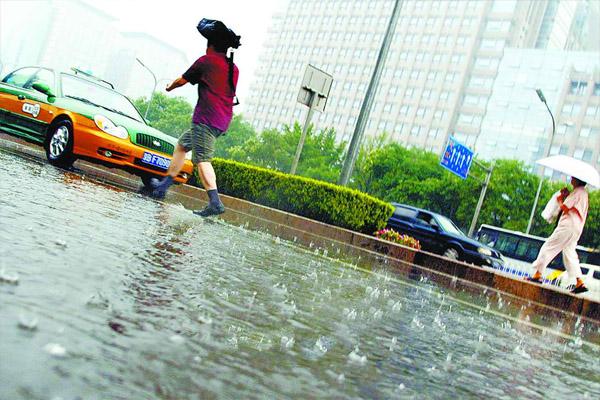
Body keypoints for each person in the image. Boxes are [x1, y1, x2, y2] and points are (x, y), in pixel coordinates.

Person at [150, 19, 240, 217]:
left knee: (202, 160)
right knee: (182, 145)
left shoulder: (206, 62)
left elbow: (182, 80)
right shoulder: (234, 68)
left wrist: (169, 87)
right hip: (222, 120)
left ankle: (215, 202)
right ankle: (164, 186)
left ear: (210, 45)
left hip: (206, 119)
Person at [526, 177, 589, 294]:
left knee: (549, 246)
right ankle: (579, 281)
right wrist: (567, 197)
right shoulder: (583, 193)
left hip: (568, 225)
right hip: (576, 228)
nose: (571, 179)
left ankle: (538, 274)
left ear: (577, 180)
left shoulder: (577, 192)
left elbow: (565, 207)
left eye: (573, 178)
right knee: (569, 253)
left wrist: (561, 199)